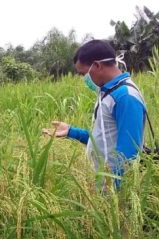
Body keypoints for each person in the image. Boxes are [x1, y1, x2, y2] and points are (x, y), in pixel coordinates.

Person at [43, 39, 147, 189]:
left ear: (97, 65)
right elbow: (104, 138)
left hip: (115, 193)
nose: (84, 79)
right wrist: (71, 132)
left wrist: (115, 198)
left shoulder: (125, 97)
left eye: (83, 73)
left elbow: (127, 154)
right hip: (104, 186)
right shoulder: (108, 92)